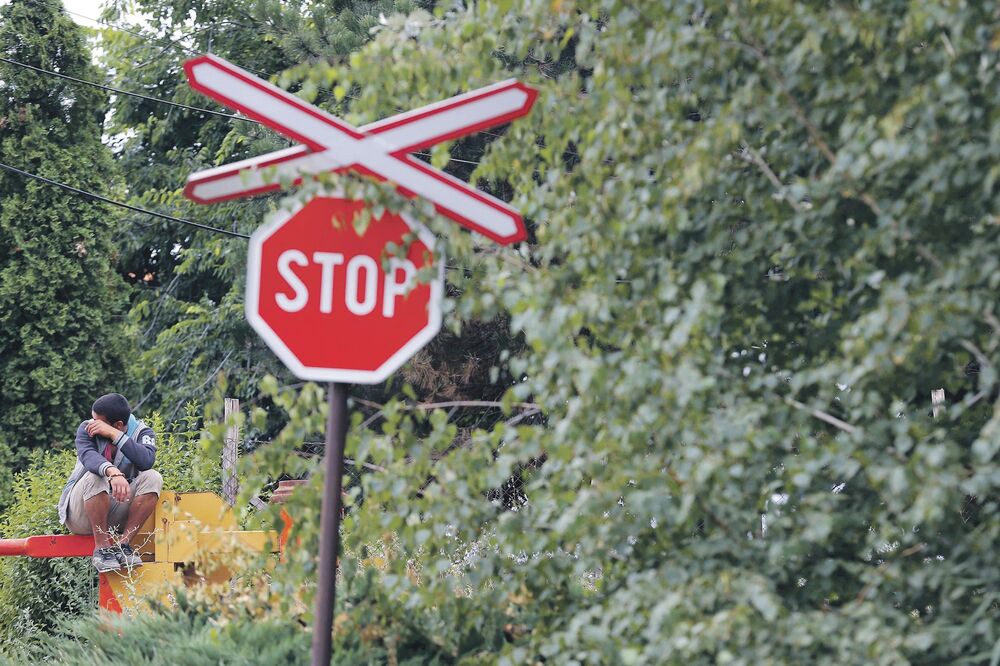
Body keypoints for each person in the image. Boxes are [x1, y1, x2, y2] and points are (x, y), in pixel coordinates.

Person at [57, 393, 163, 572]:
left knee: (154, 477)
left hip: (115, 512)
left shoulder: (142, 432)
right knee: (95, 475)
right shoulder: (87, 428)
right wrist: (112, 472)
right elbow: (89, 457)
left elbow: (146, 461)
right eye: (93, 418)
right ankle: (102, 549)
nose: (93, 423)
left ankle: (123, 546)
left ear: (119, 425)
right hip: (80, 514)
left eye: (98, 421)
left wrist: (116, 435)